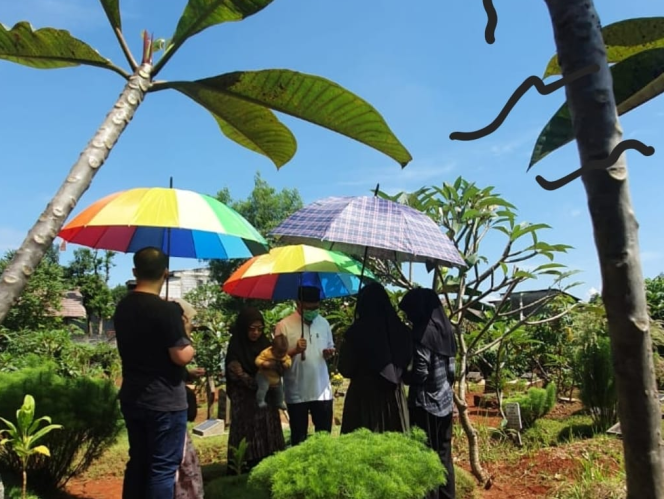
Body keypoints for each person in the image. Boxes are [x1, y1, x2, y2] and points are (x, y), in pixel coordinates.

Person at [113, 247, 195, 499]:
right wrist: (187, 334)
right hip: (164, 400)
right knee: (162, 468)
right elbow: (180, 355)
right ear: (165, 273)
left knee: (138, 461)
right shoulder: (166, 310)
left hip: (133, 396)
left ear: (135, 271)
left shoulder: (123, 307)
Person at [399, 288, 457, 499]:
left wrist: (403, 377)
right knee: (444, 456)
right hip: (445, 402)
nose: (409, 317)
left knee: (426, 457)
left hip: (425, 405)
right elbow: (453, 371)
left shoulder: (422, 334)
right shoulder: (447, 330)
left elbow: (420, 372)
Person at [338, 281, 412, 434]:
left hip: (362, 401)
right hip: (394, 400)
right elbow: (408, 365)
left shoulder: (355, 333)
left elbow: (346, 368)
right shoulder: (402, 331)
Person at [225, 308, 285, 469]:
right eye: (252, 329)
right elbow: (235, 374)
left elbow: (280, 367)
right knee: (247, 437)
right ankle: (244, 466)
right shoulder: (236, 348)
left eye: (259, 329)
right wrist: (251, 380)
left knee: (269, 434)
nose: (256, 333)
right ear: (243, 328)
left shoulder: (266, 345)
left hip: (266, 401)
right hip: (245, 403)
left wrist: (276, 367)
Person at [275, 285, 335, 445]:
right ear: (298, 304)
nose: (313, 311)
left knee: (324, 438)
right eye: (309, 308)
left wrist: (329, 353)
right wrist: (294, 351)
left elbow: (330, 347)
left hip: (322, 391)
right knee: (299, 438)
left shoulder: (324, 323)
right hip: (297, 392)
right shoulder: (283, 326)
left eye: (316, 307)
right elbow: (276, 359)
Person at [172, 299, 205, 499]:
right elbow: (185, 355)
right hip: (170, 409)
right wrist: (185, 332)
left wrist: (188, 374)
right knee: (179, 463)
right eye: (188, 320)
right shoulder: (173, 339)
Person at [255, 335, 291, 410]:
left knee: (280, 390)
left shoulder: (284, 356)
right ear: (272, 349)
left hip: (276, 377)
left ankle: (279, 402)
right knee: (263, 387)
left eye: (283, 354)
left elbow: (289, 360)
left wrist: (286, 364)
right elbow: (257, 360)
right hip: (264, 375)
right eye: (278, 353)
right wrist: (264, 363)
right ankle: (260, 400)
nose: (280, 356)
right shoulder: (266, 353)